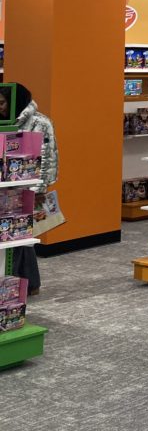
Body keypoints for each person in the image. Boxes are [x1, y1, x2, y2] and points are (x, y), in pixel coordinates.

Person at [11, 83, 59, 294]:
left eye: (3, 102)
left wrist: (39, 189)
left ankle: (28, 283)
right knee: (16, 234)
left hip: (28, 187)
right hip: (9, 185)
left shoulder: (40, 122)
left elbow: (47, 157)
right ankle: (22, 282)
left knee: (22, 235)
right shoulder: (8, 121)